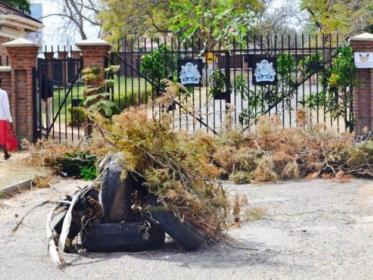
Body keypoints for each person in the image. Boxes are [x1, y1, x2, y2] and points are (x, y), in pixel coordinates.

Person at [0, 78, 14, 160]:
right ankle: (6, 154)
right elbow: (6, 107)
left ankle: (6, 154)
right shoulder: (3, 93)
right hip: (2, 118)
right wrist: (10, 119)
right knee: (3, 136)